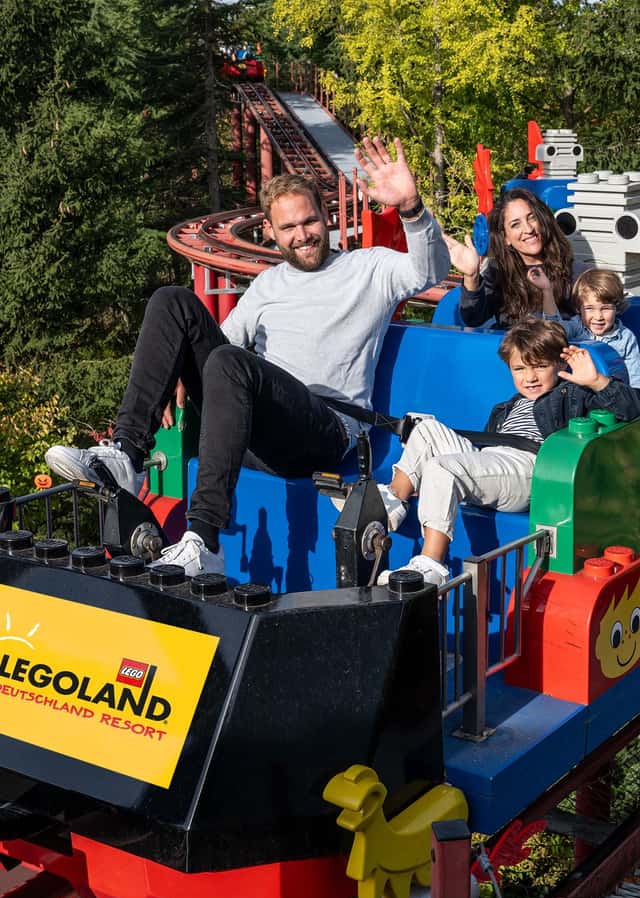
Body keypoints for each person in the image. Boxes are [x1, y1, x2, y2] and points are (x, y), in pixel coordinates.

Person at [46, 137, 451, 577]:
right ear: (272, 234)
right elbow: (216, 346)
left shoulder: (367, 268)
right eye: (289, 228)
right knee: (172, 301)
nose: (302, 235)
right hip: (261, 429)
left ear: (326, 219)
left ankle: (203, 538)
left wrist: (411, 206)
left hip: (325, 429)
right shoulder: (267, 286)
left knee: (229, 364)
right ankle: (127, 454)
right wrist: (174, 373)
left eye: (310, 221)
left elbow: (428, 270)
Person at [374, 320, 640, 586]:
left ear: (561, 365)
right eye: (520, 368)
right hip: (495, 462)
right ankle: (395, 499)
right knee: (424, 427)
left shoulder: (572, 394)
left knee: (441, 467)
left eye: (540, 366)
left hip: (531, 467)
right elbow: (485, 454)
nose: (530, 377)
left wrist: (596, 380)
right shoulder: (507, 406)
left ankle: (431, 565)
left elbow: (629, 408)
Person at [443, 188, 577, 329]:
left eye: (532, 218)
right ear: (505, 237)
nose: (528, 229)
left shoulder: (572, 270)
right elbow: (472, 318)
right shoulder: (499, 273)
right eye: (515, 224)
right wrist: (472, 276)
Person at [562, 269, 640, 389]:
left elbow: (636, 377)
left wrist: (638, 399)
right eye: (589, 308)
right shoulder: (577, 326)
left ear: (617, 307)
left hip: (612, 396)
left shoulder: (625, 337)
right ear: (578, 308)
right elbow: (555, 332)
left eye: (605, 308)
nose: (598, 317)